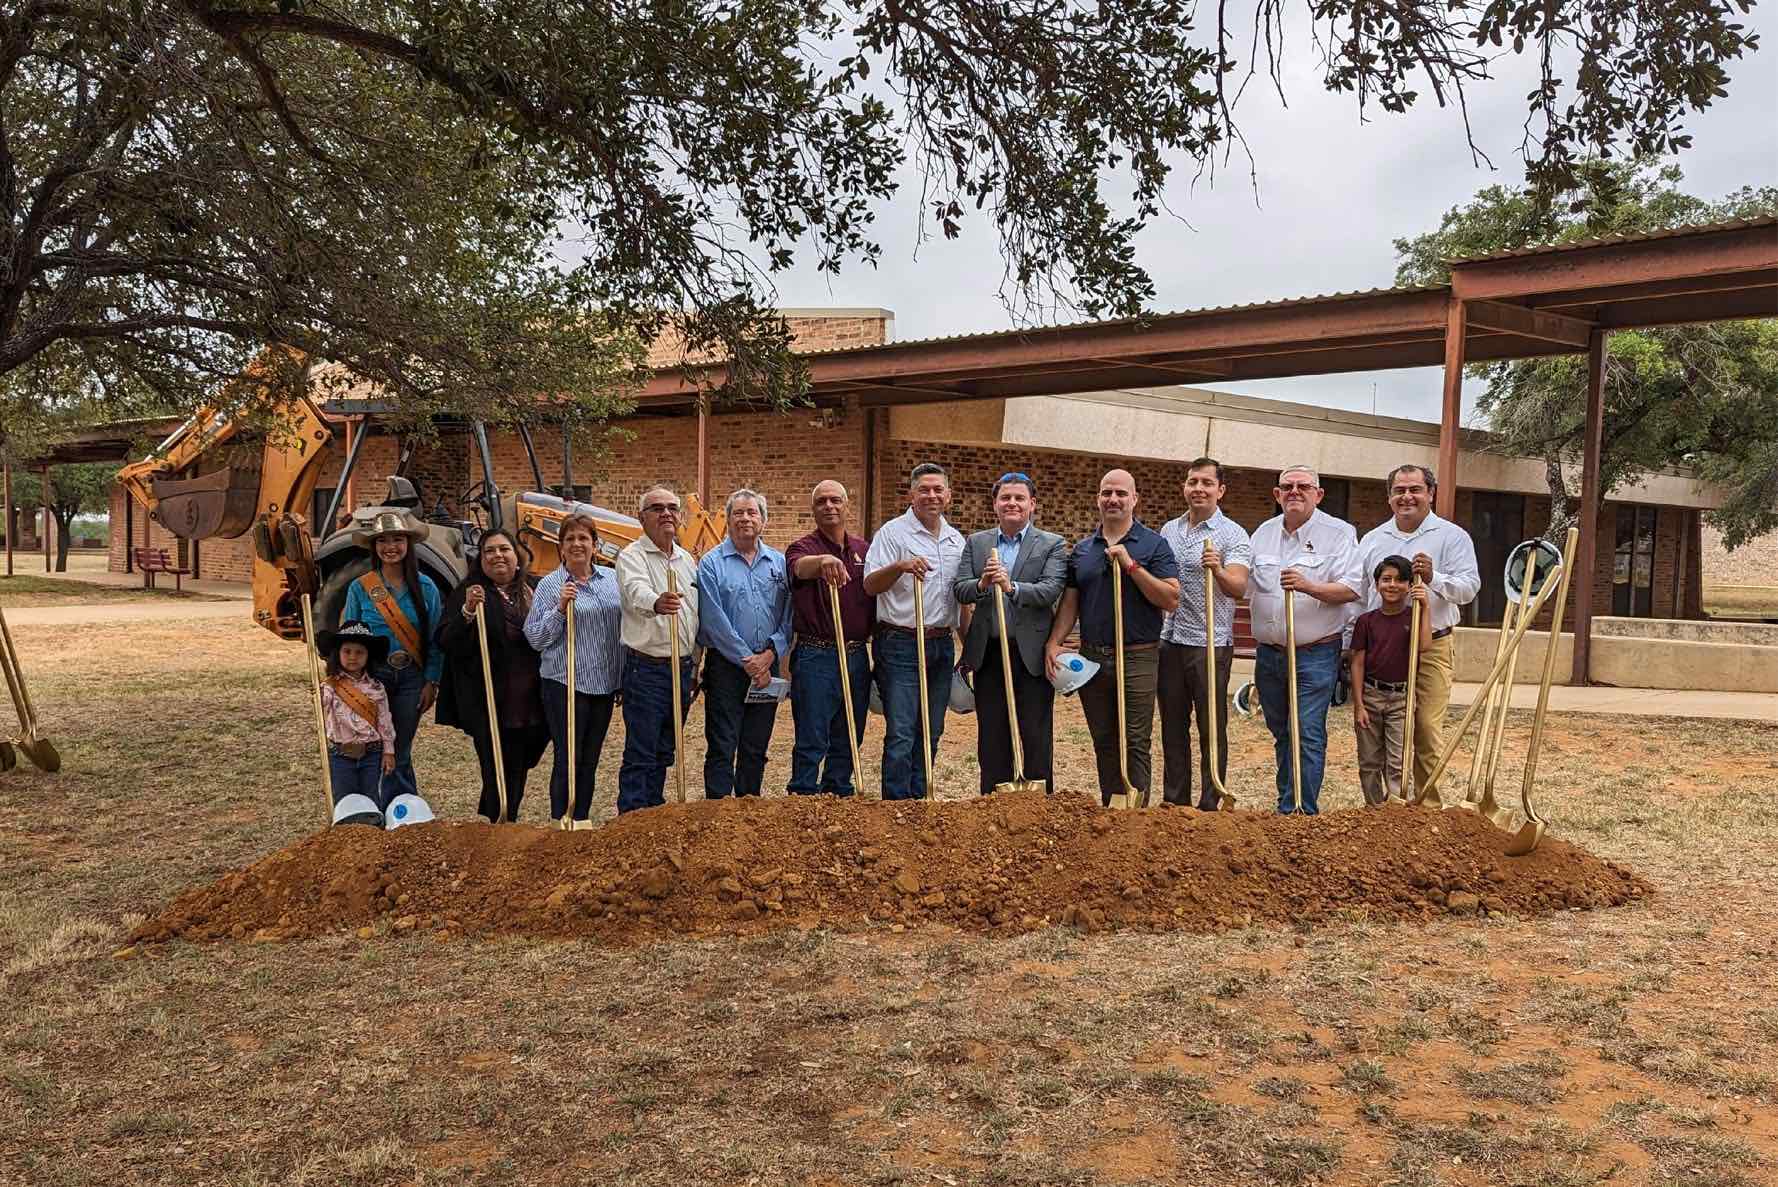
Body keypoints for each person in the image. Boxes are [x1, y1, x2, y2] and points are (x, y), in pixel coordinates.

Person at [1044, 469, 1181, 807]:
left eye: (1121, 493)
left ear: (1134, 499)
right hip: (1093, 656)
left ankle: (1134, 810)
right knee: (1104, 738)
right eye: (1107, 493)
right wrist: (1054, 640)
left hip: (1138, 655)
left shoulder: (1154, 545)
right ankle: (1112, 804)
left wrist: (1132, 566)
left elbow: (1170, 598)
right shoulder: (1083, 551)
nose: (1113, 499)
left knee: (1135, 738)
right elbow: (1071, 602)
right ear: (1098, 499)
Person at [1356, 463, 1480, 803]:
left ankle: (1426, 806)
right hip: (1383, 650)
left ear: (1431, 493)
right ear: (1389, 496)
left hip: (1431, 646)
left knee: (1424, 728)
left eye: (1415, 490)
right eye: (1399, 490)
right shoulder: (1373, 540)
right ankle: (1383, 805)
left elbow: (1469, 588)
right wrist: (1353, 645)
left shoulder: (1452, 537)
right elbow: (1364, 597)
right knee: (1379, 729)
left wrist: (1434, 578)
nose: (1407, 497)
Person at [1248, 466, 1362, 815]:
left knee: (1307, 732)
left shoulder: (1340, 534)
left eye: (1303, 486)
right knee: (1282, 731)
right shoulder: (1262, 535)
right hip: (1270, 654)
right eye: (1287, 487)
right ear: (1277, 494)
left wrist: (1309, 586)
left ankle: (1301, 810)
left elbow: (1352, 588)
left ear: (1318, 494)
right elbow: (1247, 586)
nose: (1295, 491)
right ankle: (1288, 799)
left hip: (1314, 653)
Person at [953, 471, 1067, 794]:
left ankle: (1036, 803)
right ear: (995, 504)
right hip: (989, 653)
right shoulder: (977, 543)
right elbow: (960, 589)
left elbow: (1049, 590)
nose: (1012, 503)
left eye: (1019, 498)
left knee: (1035, 731)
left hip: (1030, 654)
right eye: (1005, 497)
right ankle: (993, 799)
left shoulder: (1052, 544)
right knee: (992, 734)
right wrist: (982, 584)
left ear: (1032, 504)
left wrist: (1011, 586)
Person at [864, 463, 968, 800]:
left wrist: (970, 649)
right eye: (924, 489)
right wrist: (899, 566)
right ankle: (895, 806)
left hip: (940, 643)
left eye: (938, 489)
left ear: (949, 496)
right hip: (901, 643)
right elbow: (869, 585)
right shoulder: (892, 534)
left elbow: (961, 601)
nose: (931, 495)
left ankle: (920, 798)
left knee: (932, 729)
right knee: (902, 730)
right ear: (912, 494)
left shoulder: (956, 540)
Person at [1157, 458, 1252, 809]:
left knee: (1211, 728)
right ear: (1185, 486)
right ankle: (1175, 803)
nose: (1199, 488)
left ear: (1220, 490)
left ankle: (1212, 802)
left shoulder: (1233, 535)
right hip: (1170, 640)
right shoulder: (1169, 530)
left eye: (1206, 483)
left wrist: (1219, 571)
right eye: (1193, 481)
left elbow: (1239, 587)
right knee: (1172, 728)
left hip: (1210, 644)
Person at [436, 528, 549, 823]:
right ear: (481, 559)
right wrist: (469, 611)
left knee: (520, 763)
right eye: (489, 550)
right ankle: (498, 821)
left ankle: (499, 822)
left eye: (504, 549)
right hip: (492, 698)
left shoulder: (535, 588)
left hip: (533, 696)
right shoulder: (470, 591)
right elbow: (447, 640)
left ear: (516, 555)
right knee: (498, 763)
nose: (498, 555)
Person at [525, 514, 624, 826]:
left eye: (584, 538)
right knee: (569, 757)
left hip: (604, 683)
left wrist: (622, 677)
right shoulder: (549, 585)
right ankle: (562, 820)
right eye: (570, 539)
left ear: (595, 545)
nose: (577, 544)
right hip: (565, 683)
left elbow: (620, 631)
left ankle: (581, 819)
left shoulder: (612, 581)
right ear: (561, 547)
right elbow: (536, 638)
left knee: (590, 758)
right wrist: (560, 609)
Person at [341, 510, 443, 808]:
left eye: (397, 539)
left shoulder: (426, 587)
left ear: (408, 544)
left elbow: (435, 640)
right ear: (374, 546)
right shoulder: (360, 588)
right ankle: (374, 805)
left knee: (400, 747)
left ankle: (401, 809)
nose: (390, 547)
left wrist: (432, 680)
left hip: (412, 679)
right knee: (373, 746)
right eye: (382, 540)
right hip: (373, 678)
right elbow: (350, 637)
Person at [696, 489, 792, 799]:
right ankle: (719, 814)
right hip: (726, 667)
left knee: (756, 743)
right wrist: (747, 659)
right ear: (728, 520)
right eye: (738, 513)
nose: (745, 518)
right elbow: (712, 618)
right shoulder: (711, 564)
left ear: (764, 520)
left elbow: (789, 614)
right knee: (723, 743)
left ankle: (749, 809)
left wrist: (768, 654)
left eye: (752, 513)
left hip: (767, 667)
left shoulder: (780, 564)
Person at [785, 480, 874, 796]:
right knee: (812, 733)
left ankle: (837, 790)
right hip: (816, 654)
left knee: (850, 732)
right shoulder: (803, 547)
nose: (829, 506)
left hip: (855, 655)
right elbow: (799, 569)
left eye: (835, 500)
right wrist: (823, 562)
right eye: (821, 501)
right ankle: (804, 794)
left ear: (847, 506)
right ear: (813, 510)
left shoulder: (864, 550)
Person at [616, 485, 701, 812]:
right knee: (642, 750)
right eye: (657, 508)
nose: (666, 513)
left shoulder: (686, 560)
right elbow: (635, 591)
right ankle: (633, 817)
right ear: (642, 518)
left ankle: (654, 812)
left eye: (672, 508)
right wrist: (656, 601)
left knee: (666, 747)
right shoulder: (631, 557)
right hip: (647, 669)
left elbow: (693, 613)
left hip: (680, 669)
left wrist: (694, 660)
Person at [1351, 555, 1432, 806]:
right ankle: (1374, 809)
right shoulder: (1367, 621)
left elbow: (1425, 646)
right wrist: (1359, 704)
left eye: (1399, 580)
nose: (1392, 585)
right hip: (1371, 695)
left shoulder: (1414, 616)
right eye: (1386, 579)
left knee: (1397, 761)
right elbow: (1357, 663)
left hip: (1401, 698)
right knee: (1369, 760)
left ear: (1409, 586)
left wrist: (1426, 608)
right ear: (1376, 584)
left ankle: (1395, 811)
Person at [316, 619, 396, 810]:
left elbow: (385, 721)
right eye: (347, 651)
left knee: (371, 799)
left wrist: (389, 751)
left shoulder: (377, 687)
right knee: (345, 802)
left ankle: (372, 836)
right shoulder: (330, 686)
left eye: (359, 652)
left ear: (368, 656)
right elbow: (321, 706)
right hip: (341, 754)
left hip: (372, 753)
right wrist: (318, 695)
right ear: (338, 654)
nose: (353, 657)